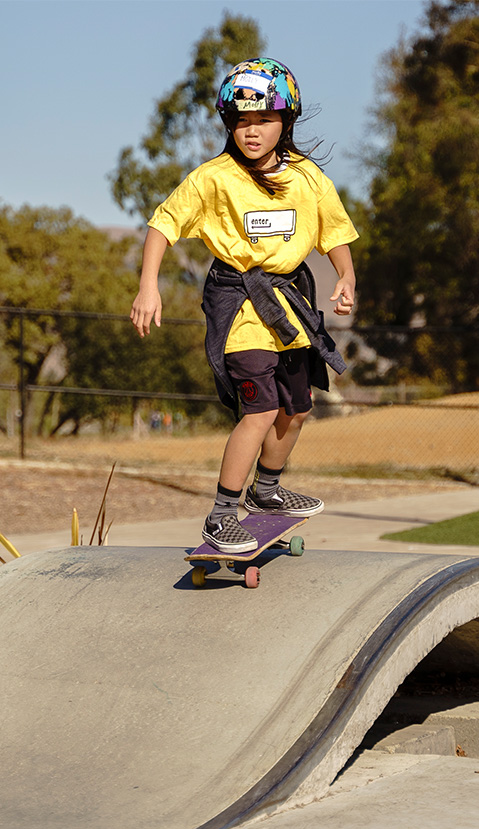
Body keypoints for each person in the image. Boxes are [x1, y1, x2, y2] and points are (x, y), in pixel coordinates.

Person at [129, 57, 357, 554]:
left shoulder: (307, 177)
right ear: (228, 123)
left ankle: (266, 490)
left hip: (288, 301)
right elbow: (163, 225)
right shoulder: (213, 178)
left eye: (264, 120)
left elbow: (334, 229)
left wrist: (346, 273)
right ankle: (221, 515)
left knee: (297, 408)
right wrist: (149, 285)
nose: (251, 131)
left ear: (285, 121)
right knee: (260, 409)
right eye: (241, 121)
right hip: (237, 301)